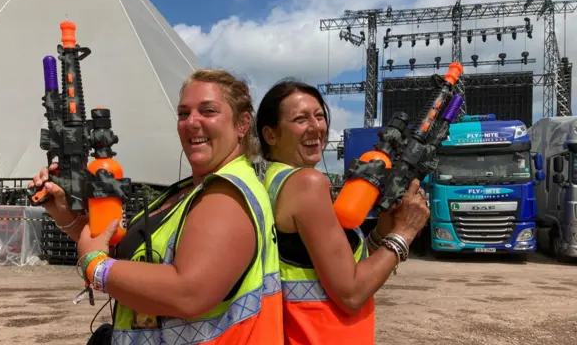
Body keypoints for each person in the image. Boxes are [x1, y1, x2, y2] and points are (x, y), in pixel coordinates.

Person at [29, 69, 284, 345]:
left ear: (243, 123)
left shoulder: (227, 195)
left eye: (208, 111)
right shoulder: (187, 192)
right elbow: (126, 256)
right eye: (184, 113)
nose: (192, 122)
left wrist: (96, 268)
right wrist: (65, 214)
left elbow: (188, 292)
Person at [255, 79, 430, 345]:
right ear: (271, 135)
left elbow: (333, 264)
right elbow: (351, 294)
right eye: (300, 119)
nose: (316, 127)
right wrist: (405, 232)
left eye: (319, 116)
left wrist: (385, 227)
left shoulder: (275, 181)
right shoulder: (307, 184)